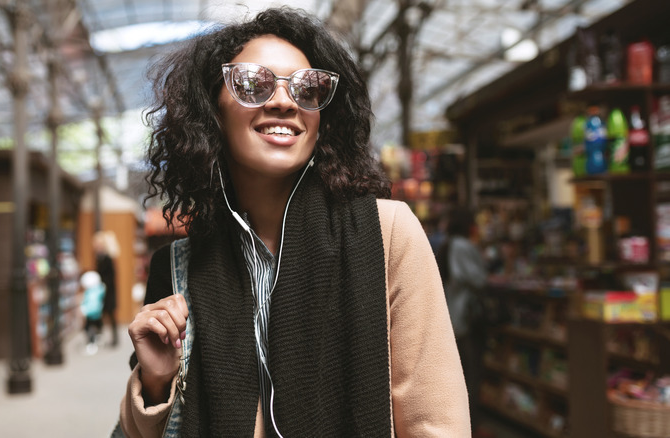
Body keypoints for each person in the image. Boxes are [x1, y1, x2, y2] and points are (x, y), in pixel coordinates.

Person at [119, 7, 469, 437]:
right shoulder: (178, 268)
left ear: (323, 120)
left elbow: (436, 422)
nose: (284, 101)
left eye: (307, 89)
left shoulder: (387, 232)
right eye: (253, 84)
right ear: (212, 111)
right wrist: (156, 382)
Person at [437, 207, 489, 436]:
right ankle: (470, 427)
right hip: (464, 320)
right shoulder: (462, 246)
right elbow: (478, 279)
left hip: (450, 318)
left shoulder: (447, 244)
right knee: (470, 376)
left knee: (457, 378)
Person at [94, 230, 120, 347]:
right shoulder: (99, 258)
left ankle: (114, 338)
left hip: (108, 292)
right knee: (104, 314)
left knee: (110, 315)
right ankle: (99, 335)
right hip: (103, 291)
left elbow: (110, 276)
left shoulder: (107, 259)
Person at [80, 270, 105, 355]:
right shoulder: (100, 289)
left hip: (90, 313)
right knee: (96, 326)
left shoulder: (90, 292)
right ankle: (97, 339)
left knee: (89, 328)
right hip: (97, 312)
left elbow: (88, 302)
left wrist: (83, 310)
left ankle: (92, 343)